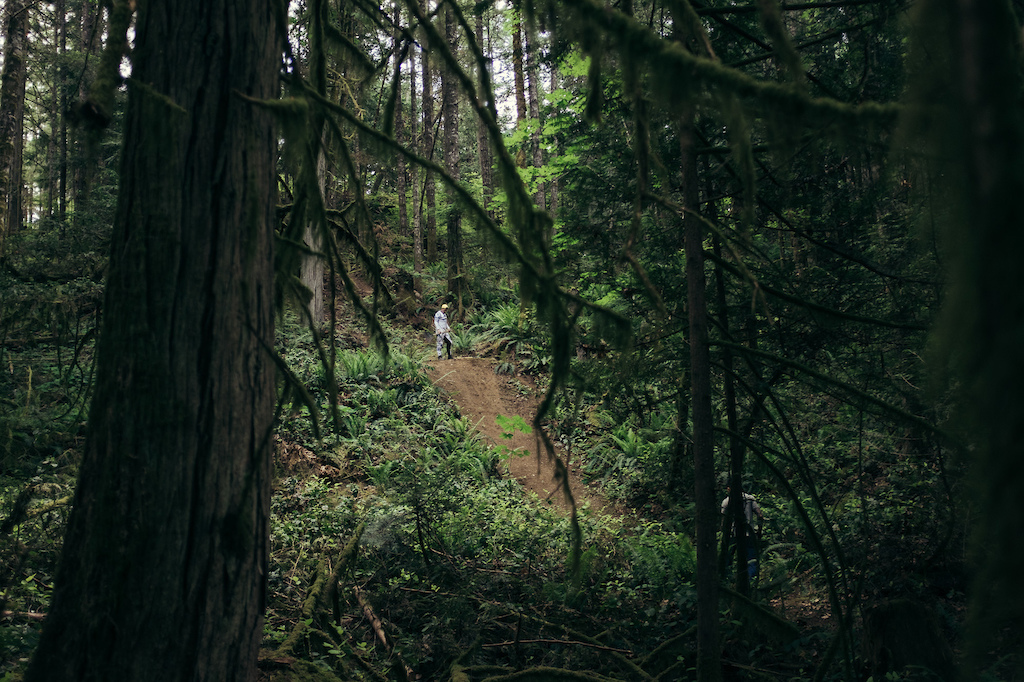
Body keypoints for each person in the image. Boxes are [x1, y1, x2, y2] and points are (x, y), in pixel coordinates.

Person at [721, 486, 765, 582]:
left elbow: (724, 522)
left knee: (728, 558)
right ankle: (751, 581)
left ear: (729, 489)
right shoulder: (750, 499)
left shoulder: (727, 501)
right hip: (748, 533)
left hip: (733, 534)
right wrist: (759, 531)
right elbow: (760, 515)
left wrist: (724, 534)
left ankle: (728, 580)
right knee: (751, 558)